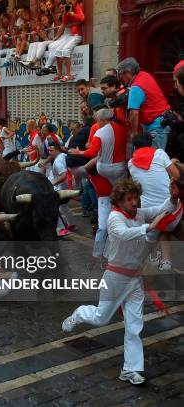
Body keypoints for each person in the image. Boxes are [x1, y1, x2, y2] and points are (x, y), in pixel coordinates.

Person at [62, 178, 181, 386]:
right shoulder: (114, 218)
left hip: (135, 279)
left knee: (134, 326)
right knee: (100, 318)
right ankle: (79, 314)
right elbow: (125, 234)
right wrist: (148, 227)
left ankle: (131, 369)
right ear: (119, 200)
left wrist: (172, 198)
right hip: (115, 278)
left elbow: (161, 209)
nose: (134, 203)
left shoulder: (140, 214)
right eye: (129, 199)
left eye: (136, 198)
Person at [128, 133, 181, 271]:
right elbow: (177, 175)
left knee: (158, 227)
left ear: (135, 147)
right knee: (164, 224)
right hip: (171, 207)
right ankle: (164, 261)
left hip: (149, 212)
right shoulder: (160, 154)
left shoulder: (130, 163)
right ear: (151, 144)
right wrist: (172, 162)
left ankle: (158, 259)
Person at [118, 57, 171, 149]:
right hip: (162, 120)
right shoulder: (145, 75)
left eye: (121, 74)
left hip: (156, 125)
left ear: (128, 72)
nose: (121, 77)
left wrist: (134, 133)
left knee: (153, 159)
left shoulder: (136, 87)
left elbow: (134, 113)